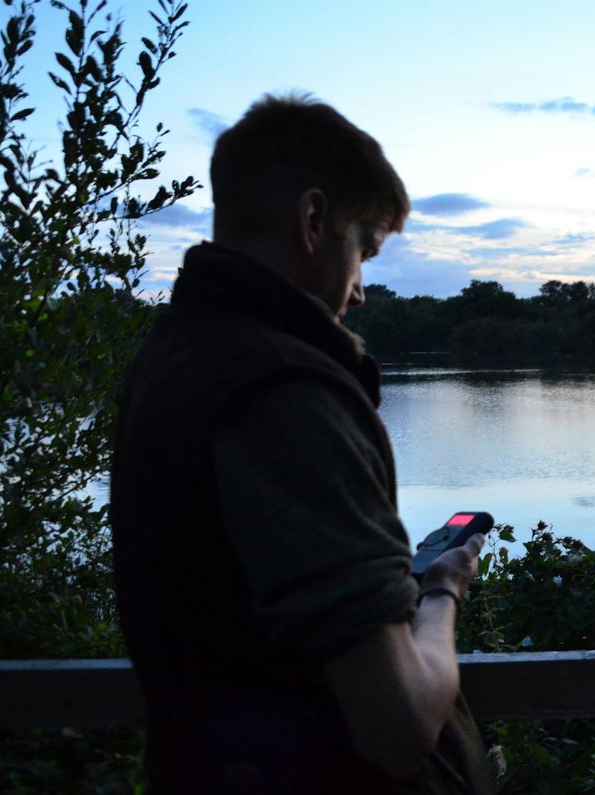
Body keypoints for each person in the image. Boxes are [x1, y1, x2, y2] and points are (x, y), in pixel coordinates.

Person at [110, 94, 492, 794]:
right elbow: (399, 725)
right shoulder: (282, 390)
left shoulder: (175, 358)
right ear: (314, 220)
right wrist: (440, 592)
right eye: (364, 249)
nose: (361, 292)